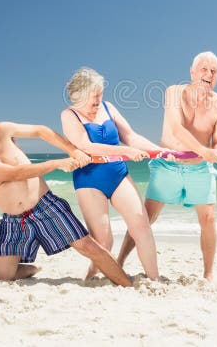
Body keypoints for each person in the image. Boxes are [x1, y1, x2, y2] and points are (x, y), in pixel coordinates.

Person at [0, 109, 131, 286]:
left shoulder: (1, 130)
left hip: (44, 206)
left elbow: (40, 131)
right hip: (14, 220)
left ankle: (127, 285)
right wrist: (56, 163)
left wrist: (73, 151)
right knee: (0, 276)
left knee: (88, 246)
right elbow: (16, 174)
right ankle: (31, 269)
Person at [117, 51, 217, 281]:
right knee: (146, 217)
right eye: (203, 68)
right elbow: (176, 129)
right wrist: (205, 151)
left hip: (200, 168)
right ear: (192, 72)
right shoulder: (173, 92)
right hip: (167, 165)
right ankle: (119, 261)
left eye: (213, 71)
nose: (208, 74)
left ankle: (208, 274)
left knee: (209, 218)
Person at [60, 67, 161, 280]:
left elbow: (131, 137)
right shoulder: (69, 115)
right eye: (93, 95)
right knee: (104, 242)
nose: (98, 99)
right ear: (79, 95)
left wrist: (160, 152)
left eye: (100, 93)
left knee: (141, 225)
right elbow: (85, 146)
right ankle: (91, 277)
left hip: (118, 174)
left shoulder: (108, 107)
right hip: (89, 180)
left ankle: (155, 280)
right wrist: (124, 151)